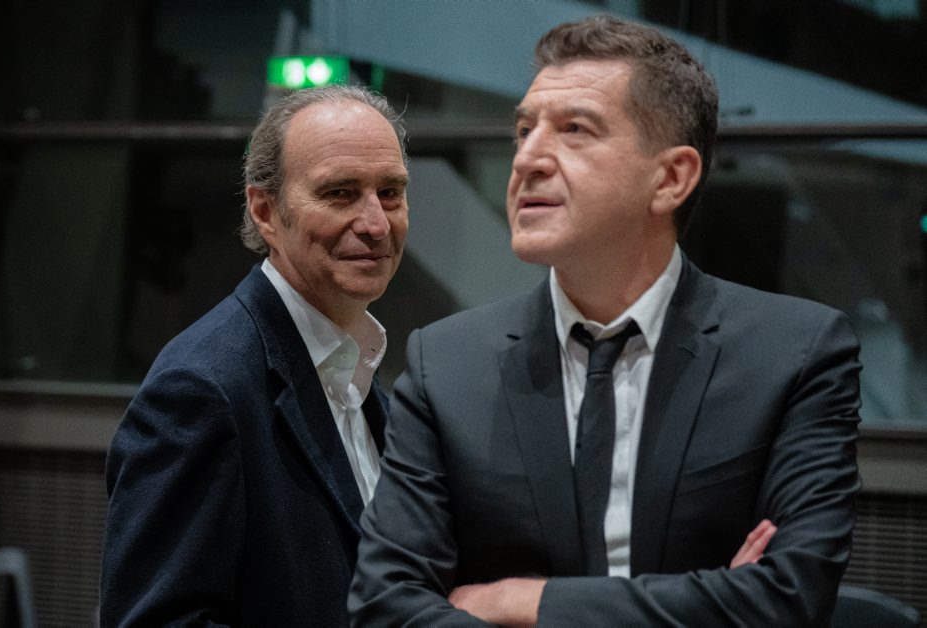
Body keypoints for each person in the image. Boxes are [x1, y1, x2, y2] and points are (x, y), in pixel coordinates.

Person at [349, 15, 861, 627]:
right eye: (524, 130)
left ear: (671, 178)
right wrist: (712, 601)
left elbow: (787, 599)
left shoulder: (795, 353)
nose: (528, 159)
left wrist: (518, 601)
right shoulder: (447, 364)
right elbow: (386, 605)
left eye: (575, 130)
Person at [99, 84, 409, 626]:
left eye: (390, 192)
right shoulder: (200, 388)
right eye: (340, 193)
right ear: (265, 212)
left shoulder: (357, 368)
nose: (376, 223)